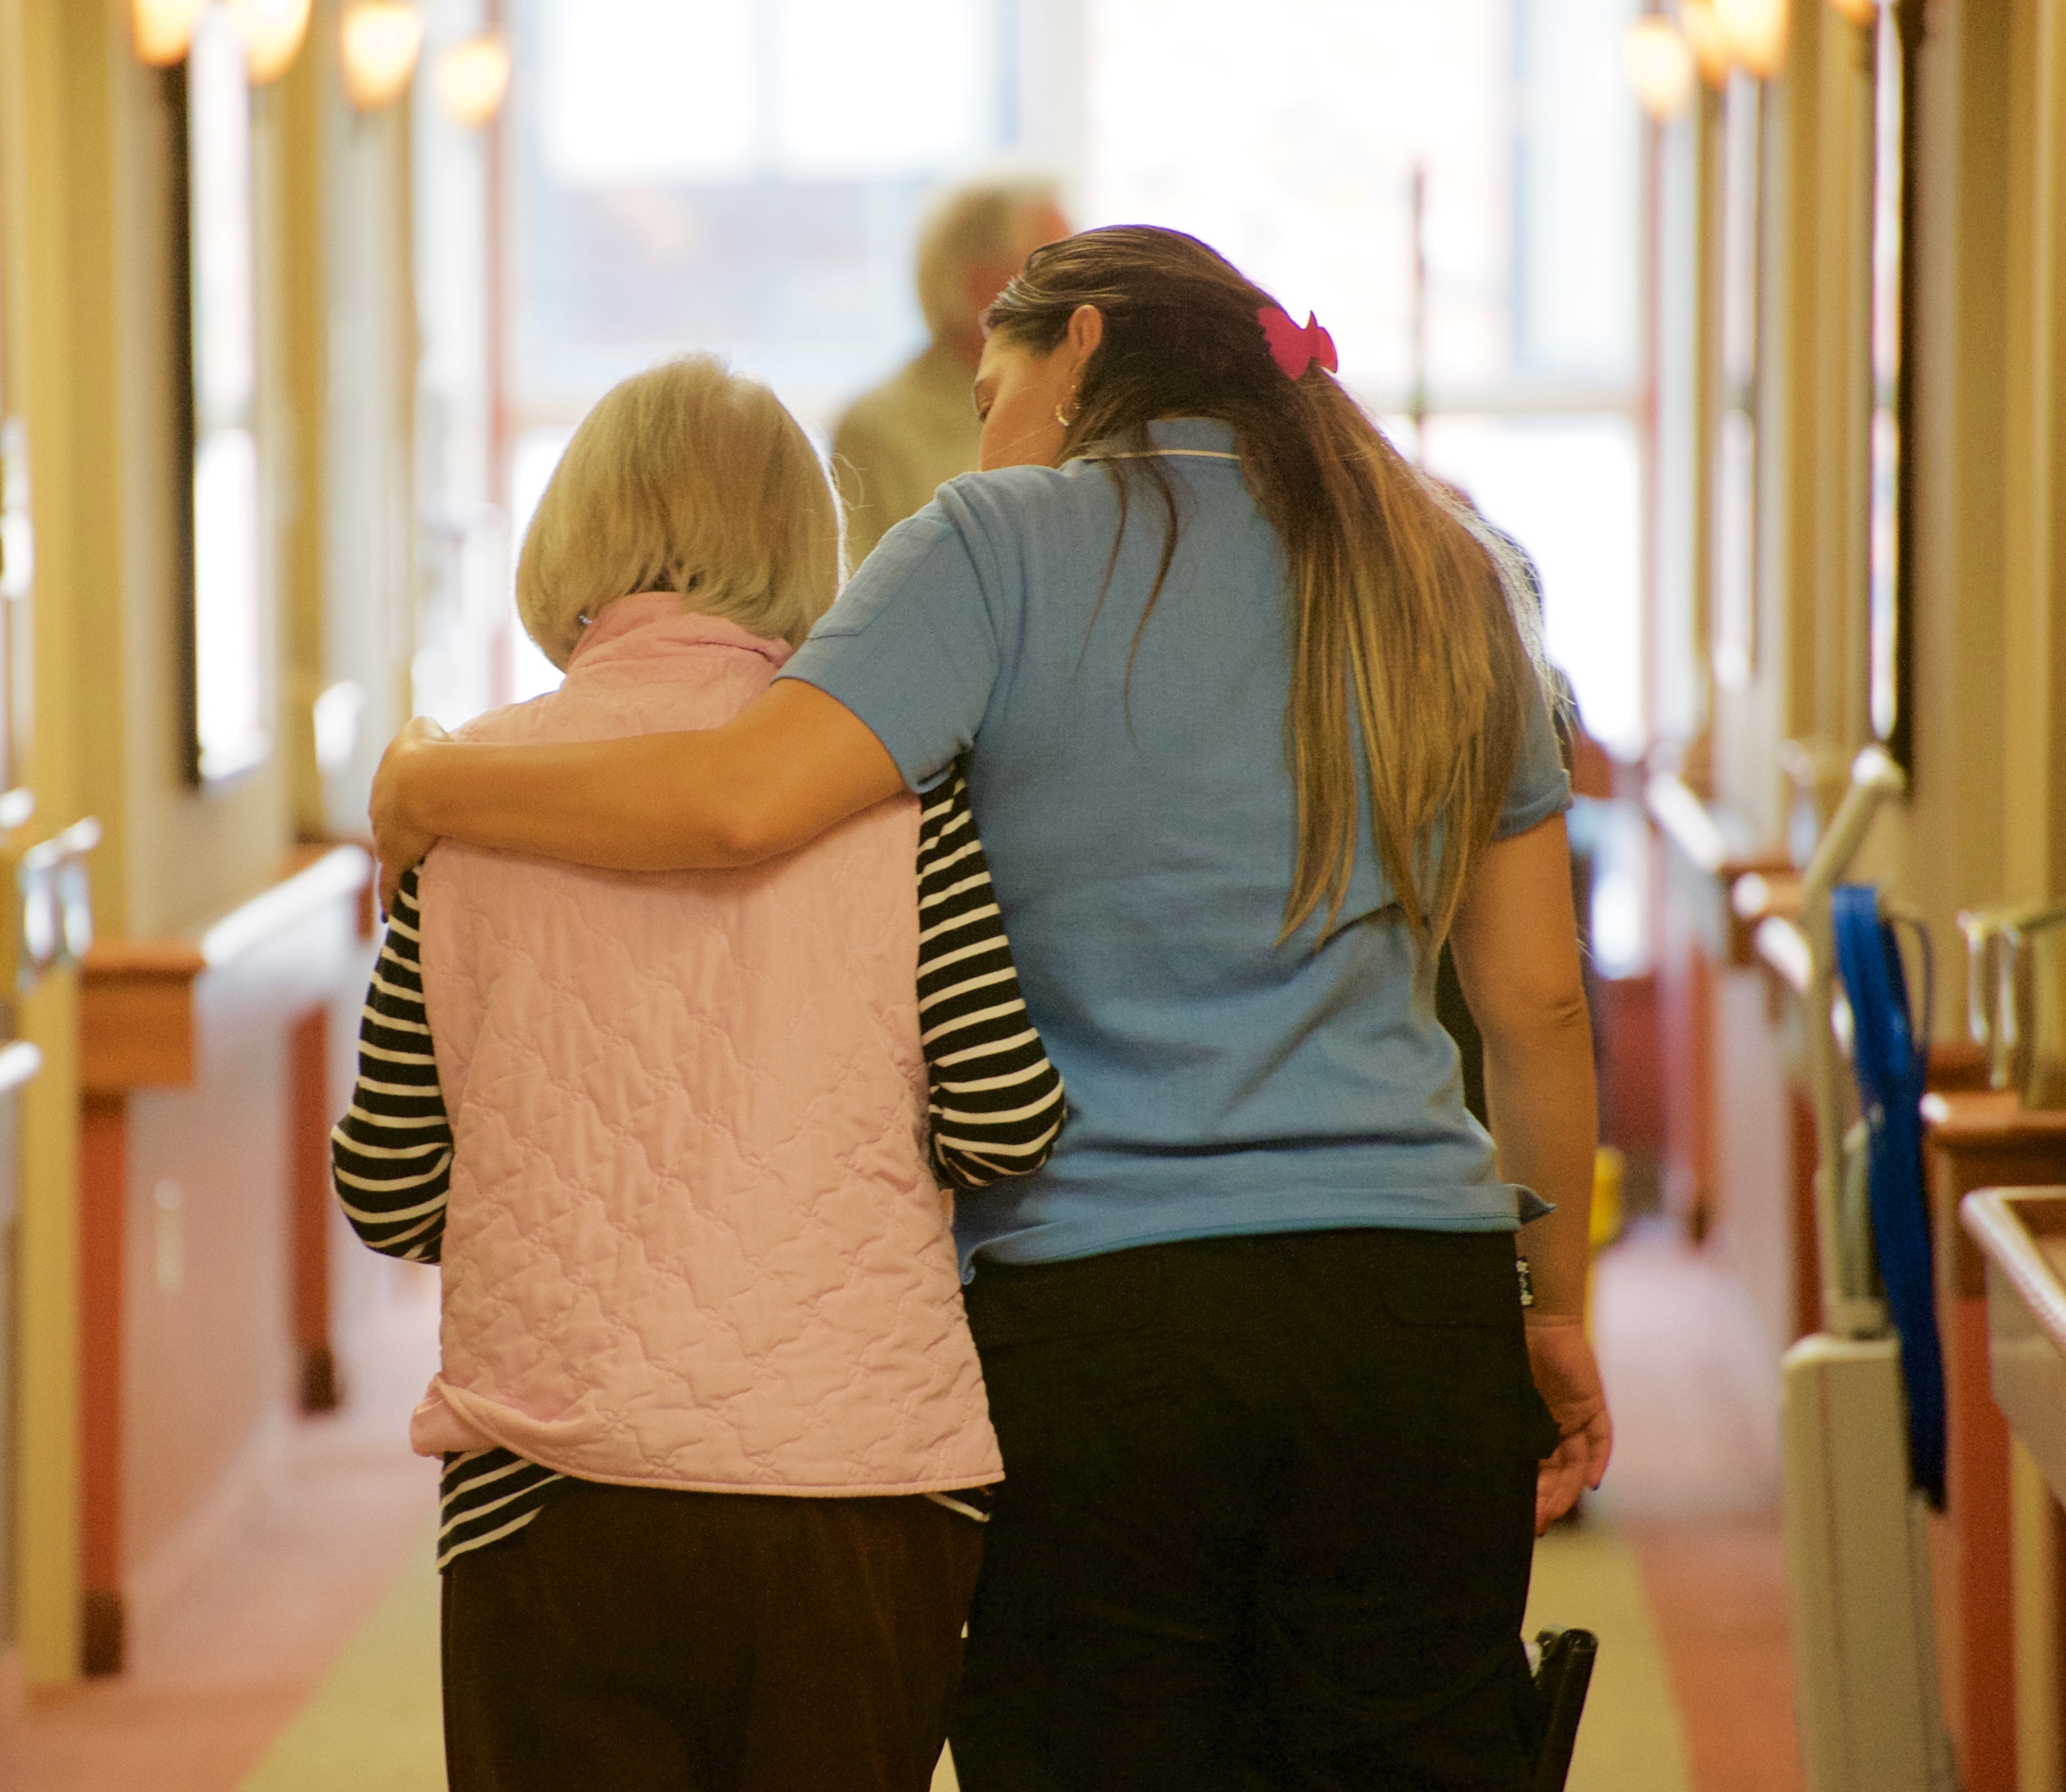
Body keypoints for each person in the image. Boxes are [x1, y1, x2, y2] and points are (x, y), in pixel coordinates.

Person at [369, 227, 1613, 1791]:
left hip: (1097, 1316)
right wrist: (1550, 1300)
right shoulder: (1446, 572)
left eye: (986, 391)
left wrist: (435, 783)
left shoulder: (986, 547)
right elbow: (1533, 1003)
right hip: (1407, 1303)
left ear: (1077, 346)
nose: (982, 433)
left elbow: (746, 805)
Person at [328, 356, 1067, 1792]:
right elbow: (1004, 1112)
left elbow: (389, 1182)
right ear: (806, 546)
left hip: (550, 1479)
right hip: (856, 1479)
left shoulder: (462, 797)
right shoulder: (896, 787)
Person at [831, 171, 1070, 564]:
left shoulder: (1089, 402)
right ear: (984, 287)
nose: (1080, 294)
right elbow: (864, 597)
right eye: (1056, 271)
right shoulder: (877, 429)